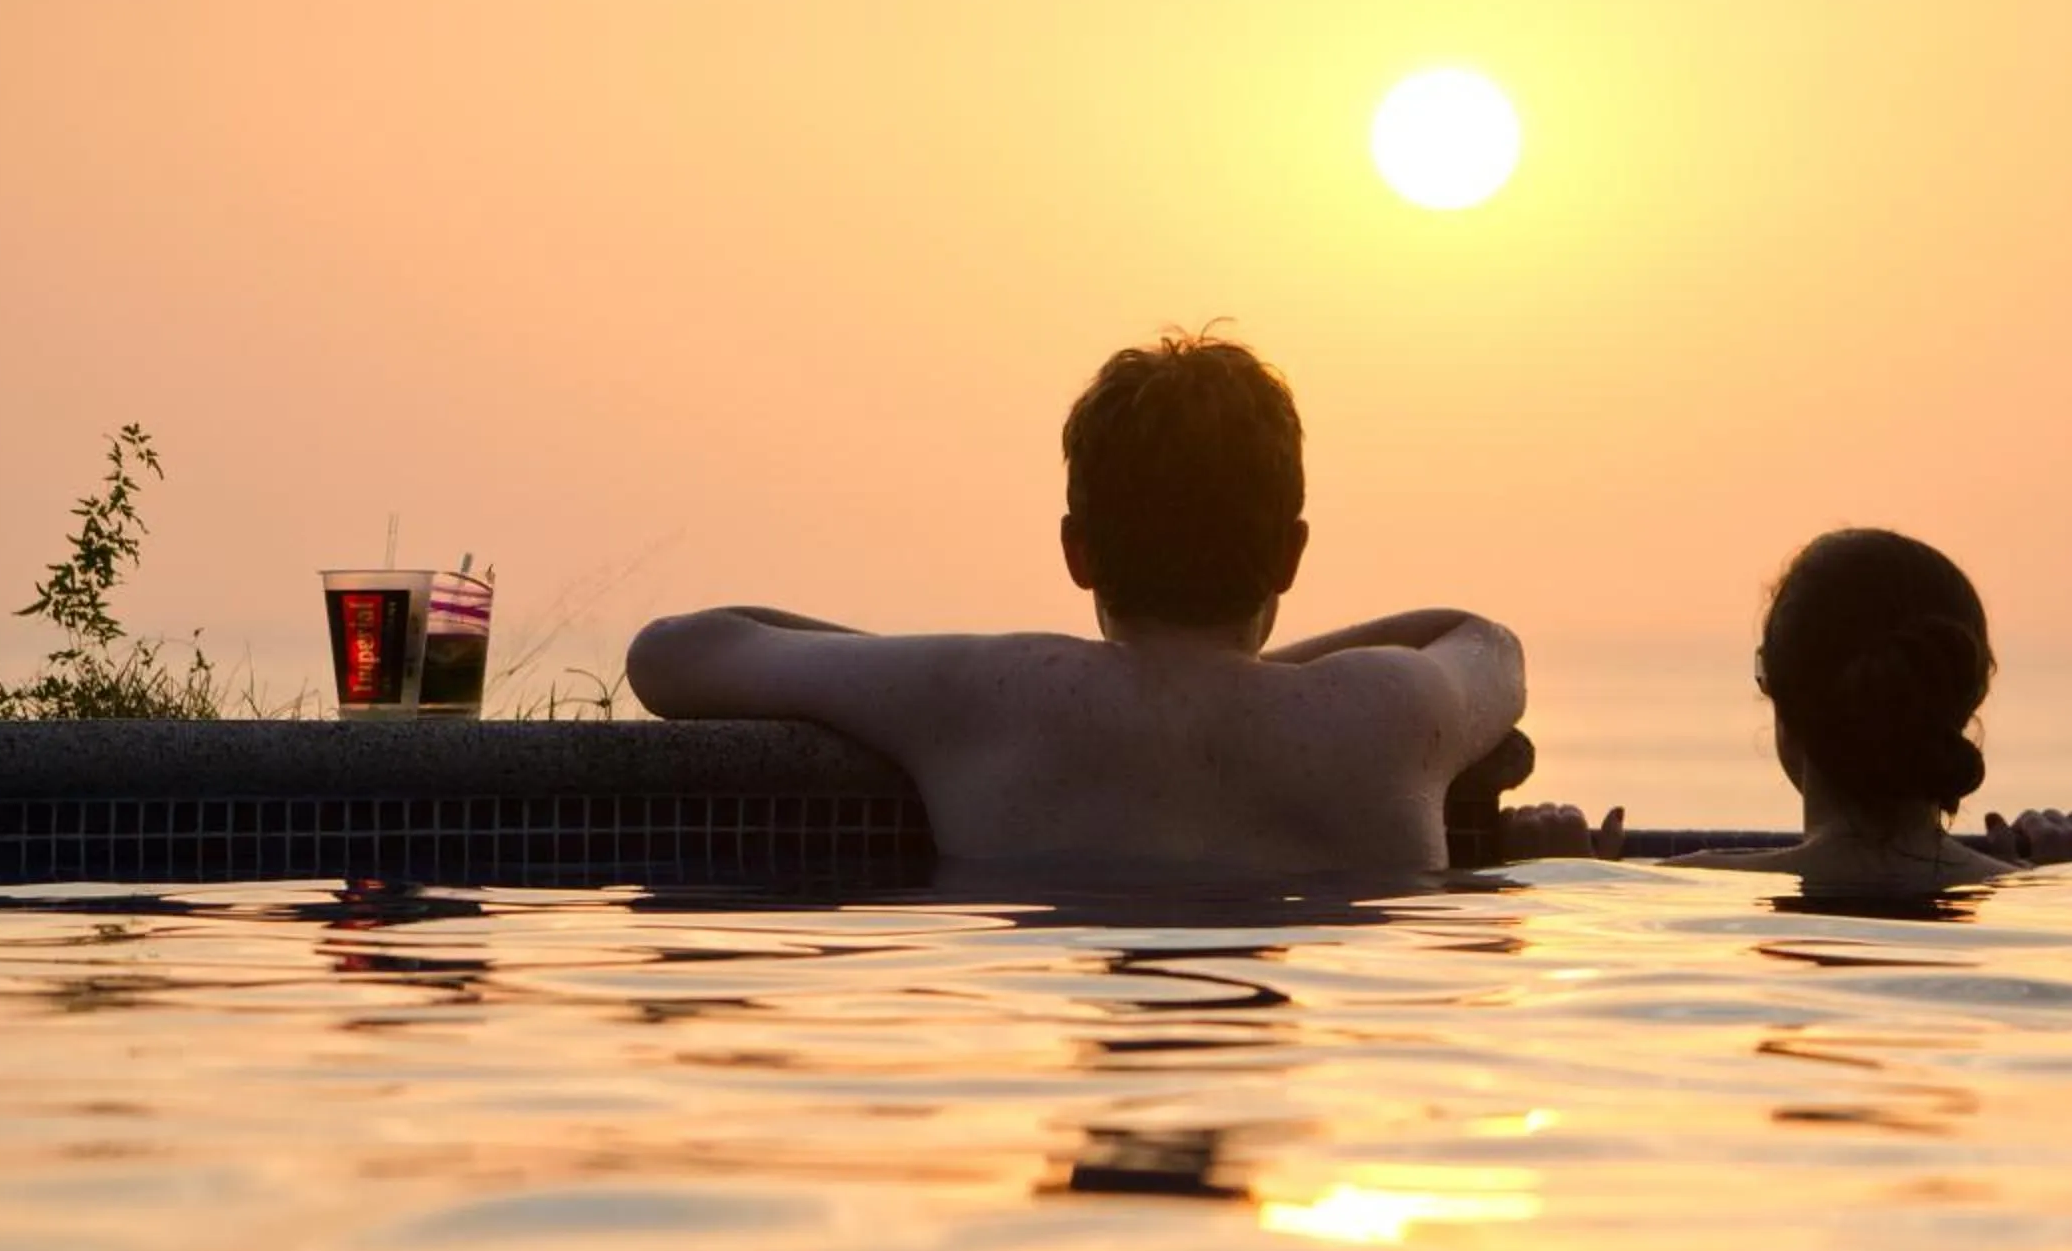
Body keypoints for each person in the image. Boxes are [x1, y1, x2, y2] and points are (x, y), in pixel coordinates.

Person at [627, 330, 1526, 875]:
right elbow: (1483, 640)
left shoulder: (986, 693)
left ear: (1078, 552)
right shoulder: (1385, 711)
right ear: (1291, 556)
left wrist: (894, 678)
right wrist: (1260, 688)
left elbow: (671, 655)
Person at [1509, 528, 2072, 890]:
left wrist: (1563, 875)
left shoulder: (1683, 885)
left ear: (1780, 698)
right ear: (1964, 699)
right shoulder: (2044, 892)